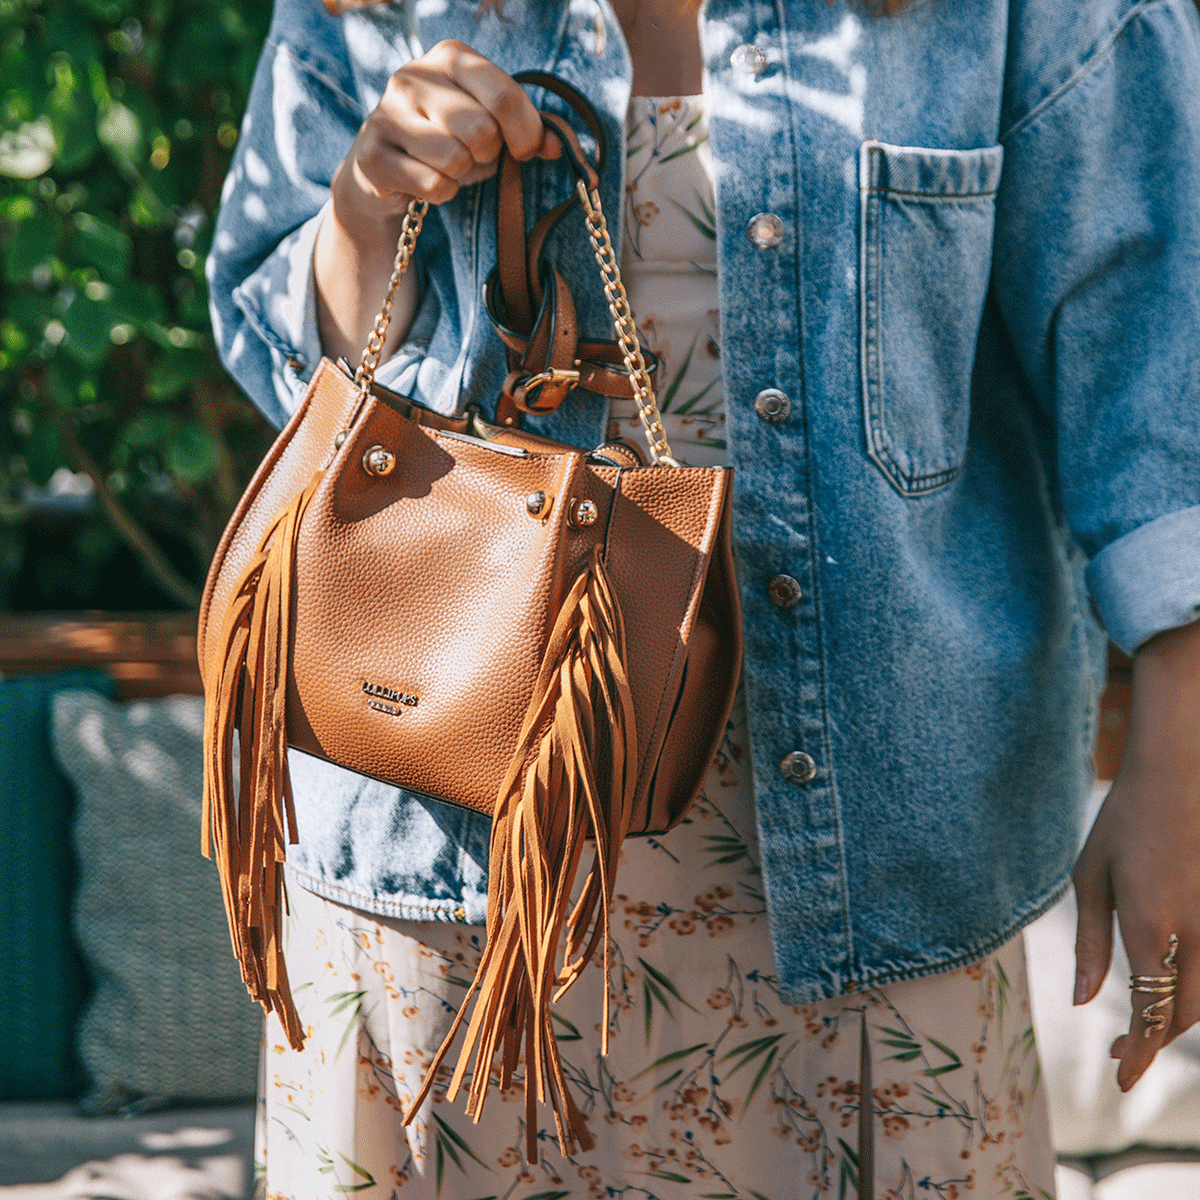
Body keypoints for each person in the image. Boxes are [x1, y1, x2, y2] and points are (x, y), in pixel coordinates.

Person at [207, 0, 1200, 1195]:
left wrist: (1180, 767)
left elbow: (1156, 366)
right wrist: (369, 210)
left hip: (865, 872)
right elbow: (280, 350)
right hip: (443, 853)